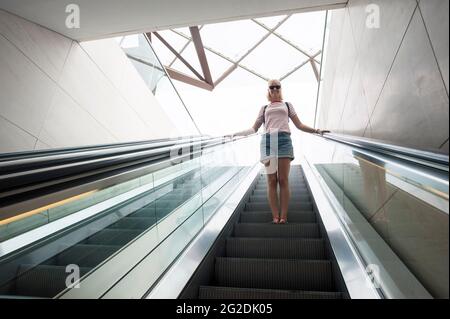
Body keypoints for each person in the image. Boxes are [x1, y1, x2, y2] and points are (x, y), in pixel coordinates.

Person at [231, 79, 329, 224]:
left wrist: (317, 130)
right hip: (268, 142)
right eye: (272, 87)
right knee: (271, 181)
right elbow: (254, 128)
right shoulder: (264, 108)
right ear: (268, 90)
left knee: (283, 179)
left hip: (284, 140)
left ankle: (284, 216)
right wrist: (235, 134)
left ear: (281, 89)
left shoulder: (287, 105)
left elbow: (299, 125)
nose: (275, 89)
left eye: (278, 86)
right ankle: (275, 216)